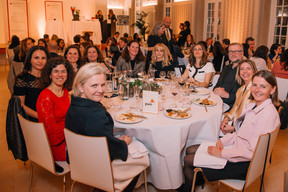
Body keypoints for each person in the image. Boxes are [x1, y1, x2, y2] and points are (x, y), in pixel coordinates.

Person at [181, 70, 280, 192]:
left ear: (273, 89)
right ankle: (196, 180)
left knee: (188, 159)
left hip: (244, 164)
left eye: (263, 86)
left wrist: (221, 154)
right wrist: (223, 141)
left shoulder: (267, 115)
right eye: (255, 85)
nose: (257, 89)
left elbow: (253, 152)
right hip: (239, 150)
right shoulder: (256, 106)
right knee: (190, 149)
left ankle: (188, 187)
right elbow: (241, 133)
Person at [65, 63, 149, 192]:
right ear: (80, 86)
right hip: (97, 166)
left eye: (103, 84)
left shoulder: (74, 104)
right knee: (142, 153)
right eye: (94, 85)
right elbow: (108, 148)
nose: (100, 90)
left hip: (78, 160)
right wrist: (123, 143)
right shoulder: (95, 115)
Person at [36, 57, 74, 162]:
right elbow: (51, 131)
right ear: (49, 74)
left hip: (68, 136)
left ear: (68, 74)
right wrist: (73, 130)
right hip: (57, 144)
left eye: (63, 71)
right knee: (92, 150)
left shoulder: (66, 92)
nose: (60, 75)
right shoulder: (46, 97)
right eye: (56, 71)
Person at [220, 60, 258, 135]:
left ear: (254, 71)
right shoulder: (241, 89)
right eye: (242, 69)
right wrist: (226, 118)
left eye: (248, 68)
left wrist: (233, 129)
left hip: (245, 132)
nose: (245, 71)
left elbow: (253, 119)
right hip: (236, 123)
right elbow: (235, 107)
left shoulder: (255, 91)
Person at [13, 46, 50, 122]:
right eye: (36, 58)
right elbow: (21, 105)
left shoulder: (50, 77)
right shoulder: (22, 79)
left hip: (50, 117)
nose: (40, 61)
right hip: (32, 120)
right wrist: (40, 116)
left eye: (43, 58)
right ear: (29, 60)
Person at [214, 42, 243, 110]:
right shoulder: (226, 68)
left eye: (236, 51)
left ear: (242, 54)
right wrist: (216, 90)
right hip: (218, 103)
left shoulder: (245, 71)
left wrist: (227, 95)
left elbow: (245, 96)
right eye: (230, 52)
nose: (233, 54)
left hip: (233, 107)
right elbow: (217, 85)